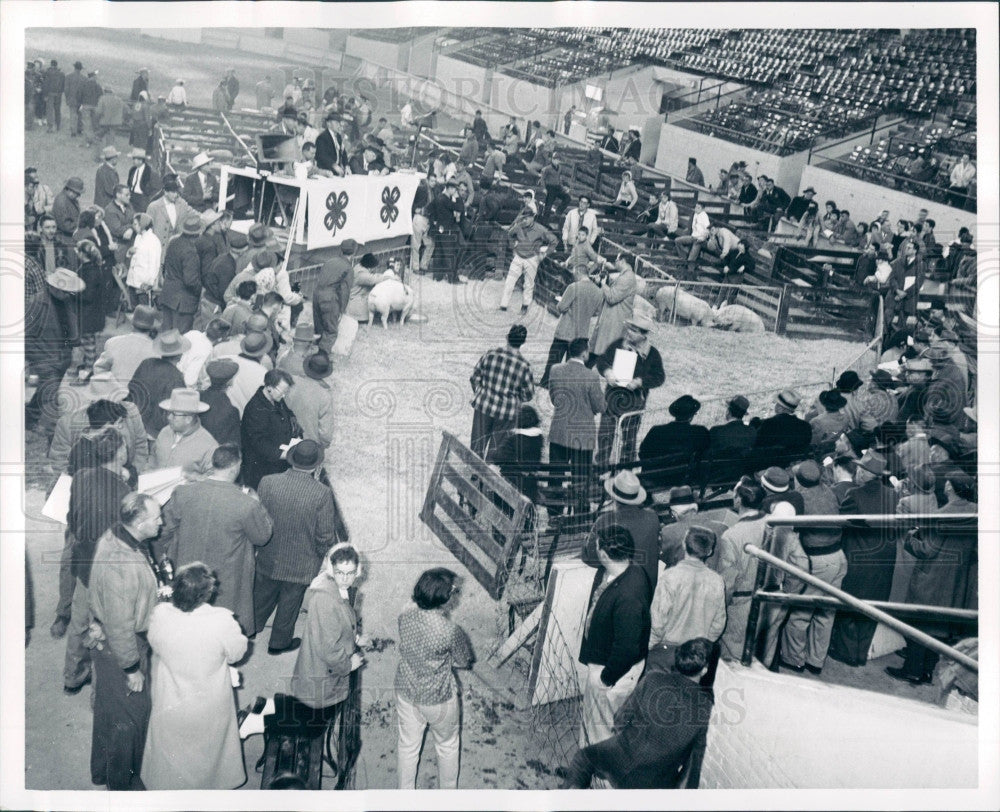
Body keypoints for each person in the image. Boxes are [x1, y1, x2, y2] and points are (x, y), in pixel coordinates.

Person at [141, 562, 247, 789]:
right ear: (207, 593)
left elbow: (153, 642)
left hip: (172, 695)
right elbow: (237, 653)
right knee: (209, 749)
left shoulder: (160, 615)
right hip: (208, 700)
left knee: (171, 749)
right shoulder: (221, 621)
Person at [561, 638, 714, 789]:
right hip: (655, 781)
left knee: (583, 758)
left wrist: (619, 743)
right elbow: (694, 763)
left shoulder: (653, 678)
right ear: (704, 669)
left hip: (622, 756)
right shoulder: (705, 706)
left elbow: (620, 718)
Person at [87, 492, 163, 790]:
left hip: (110, 643)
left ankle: (101, 771)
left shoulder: (117, 535)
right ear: (140, 522)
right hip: (124, 648)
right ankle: (121, 787)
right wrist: (132, 669)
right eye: (157, 517)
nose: (162, 521)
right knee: (130, 720)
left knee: (109, 710)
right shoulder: (120, 564)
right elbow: (119, 625)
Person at [63, 429, 137, 695]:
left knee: (79, 621)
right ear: (120, 454)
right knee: (104, 628)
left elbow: (72, 518)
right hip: (107, 570)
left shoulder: (81, 476)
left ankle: (72, 676)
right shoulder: (123, 491)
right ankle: (99, 691)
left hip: (83, 562)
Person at [256, 440, 345, 655]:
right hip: (301, 562)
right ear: (316, 466)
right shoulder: (321, 493)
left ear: (292, 459)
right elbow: (324, 534)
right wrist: (322, 553)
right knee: (290, 602)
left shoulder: (267, 482)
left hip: (269, 554)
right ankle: (278, 643)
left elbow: (258, 518)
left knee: (261, 595)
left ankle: (250, 628)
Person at [886, 475, 977, 685]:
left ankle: (912, 671)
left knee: (920, 625)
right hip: (957, 579)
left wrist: (911, 537)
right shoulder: (976, 510)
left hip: (931, 577)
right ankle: (927, 671)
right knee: (939, 627)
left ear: (949, 487)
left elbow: (927, 550)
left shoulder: (941, 515)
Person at [395, 567, 474, 790]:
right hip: (438, 697)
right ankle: (446, 797)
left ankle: (403, 798)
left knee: (407, 746)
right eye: (452, 592)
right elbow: (462, 661)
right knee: (447, 745)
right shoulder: (450, 630)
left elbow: (410, 608)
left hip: (406, 690)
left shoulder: (404, 615)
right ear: (444, 599)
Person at [578, 524, 651, 747]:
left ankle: (599, 777)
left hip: (612, 671)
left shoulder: (628, 596)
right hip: (604, 661)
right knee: (592, 720)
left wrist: (605, 678)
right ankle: (584, 765)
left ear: (603, 553)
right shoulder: (626, 570)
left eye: (597, 545)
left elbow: (627, 648)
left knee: (602, 731)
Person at [286, 544, 367, 736]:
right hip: (323, 674)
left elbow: (336, 626)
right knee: (313, 728)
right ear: (331, 569)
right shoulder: (326, 601)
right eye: (340, 573)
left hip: (315, 668)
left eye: (350, 573)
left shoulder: (333, 587)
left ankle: (267, 709)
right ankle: (258, 721)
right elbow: (329, 650)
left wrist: (351, 637)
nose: (346, 579)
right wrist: (349, 665)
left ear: (358, 570)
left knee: (305, 711)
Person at [827, 454, 899, 667]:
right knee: (872, 608)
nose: (857, 471)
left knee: (849, 605)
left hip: (859, 559)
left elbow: (842, 523)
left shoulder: (854, 495)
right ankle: (860, 653)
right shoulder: (893, 495)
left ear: (867, 473)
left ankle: (847, 653)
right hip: (885, 561)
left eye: (860, 469)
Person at [777, 460, 848, 675]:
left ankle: (793, 659)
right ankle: (816, 661)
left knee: (800, 613)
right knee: (826, 614)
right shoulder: (829, 491)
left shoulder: (801, 499)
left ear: (798, 481)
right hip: (839, 557)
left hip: (817, 561)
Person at [594, 314, 665, 466]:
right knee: (605, 434)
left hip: (635, 402)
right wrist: (607, 371)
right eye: (629, 328)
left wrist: (641, 381)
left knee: (629, 438)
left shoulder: (652, 354)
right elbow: (601, 360)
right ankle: (601, 466)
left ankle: (625, 470)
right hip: (612, 398)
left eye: (634, 330)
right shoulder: (618, 344)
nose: (629, 332)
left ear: (643, 334)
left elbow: (659, 377)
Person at [713, 478, 768, 660]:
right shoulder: (772, 523)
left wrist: (720, 611)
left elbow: (728, 583)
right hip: (770, 599)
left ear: (738, 500)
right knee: (762, 654)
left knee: (734, 657)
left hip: (742, 604)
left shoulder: (731, 536)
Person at [649, 526, 726, 650]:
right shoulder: (717, 581)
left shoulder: (669, 577)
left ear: (684, 545)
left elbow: (657, 621)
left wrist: (651, 645)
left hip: (668, 648)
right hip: (698, 651)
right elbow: (718, 624)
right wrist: (704, 643)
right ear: (709, 552)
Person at [583, 471, 661, 592]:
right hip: (647, 589)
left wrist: (586, 540)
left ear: (613, 496)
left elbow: (591, 558)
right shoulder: (653, 517)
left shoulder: (604, 521)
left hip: (618, 591)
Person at [469, 324, 535, 460]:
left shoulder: (490, 354)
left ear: (507, 337)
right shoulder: (524, 366)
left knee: (477, 444)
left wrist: (480, 393)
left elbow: (474, 378)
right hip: (506, 412)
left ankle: (475, 473)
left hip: (484, 405)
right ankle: (487, 478)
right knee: (497, 448)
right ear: (523, 343)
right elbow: (528, 394)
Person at [239, 368, 300, 489]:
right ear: (269, 387)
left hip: (277, 463)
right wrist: (285, 455)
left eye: (286, 392)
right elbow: (258, 443)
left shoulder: (275, 398)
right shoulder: (255, 409)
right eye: (282, 392)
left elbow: (287, 413)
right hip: (262, 469)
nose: (284, 396)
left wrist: (294, 426)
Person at [639, 394, 710, 490]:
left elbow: (643, 453)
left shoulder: (656, 431)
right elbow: (705, 454)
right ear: (692, 415)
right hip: (686, 478)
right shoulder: (700, 432)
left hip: (656, 477)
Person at [127, 329, 188, 441]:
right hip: (154, 432)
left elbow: (131, 390)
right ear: (179, 355)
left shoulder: (147, 363)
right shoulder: (176, 377)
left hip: (133, 421)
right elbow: (174, 414)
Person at [499, 208, 556, 315]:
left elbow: (554, 241)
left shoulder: (540, 229)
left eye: (528, 217)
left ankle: (525, 307)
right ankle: (503, 305)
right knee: (509, 282)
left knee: (528, 284)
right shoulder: (519, 226)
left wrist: (545, 253)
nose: (525, 220)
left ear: (533, 217)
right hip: (519, 256)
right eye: (524, 217)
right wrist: (513, 245)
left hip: (532, 258)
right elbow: (509, 234)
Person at [152, 388, 218, 477]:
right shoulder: (165, 432)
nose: (169, 417)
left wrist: (191, 478)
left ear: (188, 419)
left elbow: (213, 478)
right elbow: (153, 457)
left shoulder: (209, 445)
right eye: (168, 413)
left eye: (174, 414)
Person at [588, 253, 637, 365]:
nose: (615, 262)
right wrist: (604, 282)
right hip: (612, 318)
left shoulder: (627, 278)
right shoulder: (625, 276)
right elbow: (615, 291)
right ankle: (585, 372)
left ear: (623, 261)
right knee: (598, 350)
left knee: (605, 352)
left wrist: (602, 283)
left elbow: (612, 297)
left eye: (616, 259)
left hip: (616, 320)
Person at [747, 389, 811, 470]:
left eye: (777, 404)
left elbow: (755, 446)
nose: (775, 405)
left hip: (769, 469)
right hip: (795, 468)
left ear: (780, 408)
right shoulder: (805, 427)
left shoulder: (769, 424)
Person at [312, 238, 356, 353]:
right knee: (331, 330)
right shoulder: (348, 268)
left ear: (341, 250)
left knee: (319, 326)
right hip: (330, 297)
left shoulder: (330, 261)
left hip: (316, 294)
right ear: (354, 253)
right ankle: (322, 356)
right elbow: (345, 291)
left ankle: (317, 352)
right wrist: (342, 310)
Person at [284, 351, 335, 449]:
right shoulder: (325, 395)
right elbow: (325, 431)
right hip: (308, 445)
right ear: (325, 373)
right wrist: (323, 445)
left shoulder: (291, 381)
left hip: (284, 437)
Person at [704, 395, 755, 483]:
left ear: (728, 412)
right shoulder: (751, 431)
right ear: (743, 414)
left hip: (716, 474)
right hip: (739, 472)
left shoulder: (716, 430)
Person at [674, 201, 711, 268]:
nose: (696, 209)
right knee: (677, 241)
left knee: (691, 259)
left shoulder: (704, 216)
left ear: (703, 209)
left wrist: (702, 238)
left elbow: (708, 229)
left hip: (699, 240)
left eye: (698, 208)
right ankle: (684, 257)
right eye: (696, 207)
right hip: (693, 236)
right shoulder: (695, 214)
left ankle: (690, 271)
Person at [126, 148, 160, 214]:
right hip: (132, 197)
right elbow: (129, 184)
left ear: (140, 160)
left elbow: (157, 189)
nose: (133, 161)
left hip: (143, 199)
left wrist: (148, 200)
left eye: (134, 159)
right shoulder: (132, 170)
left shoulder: (150, 172)